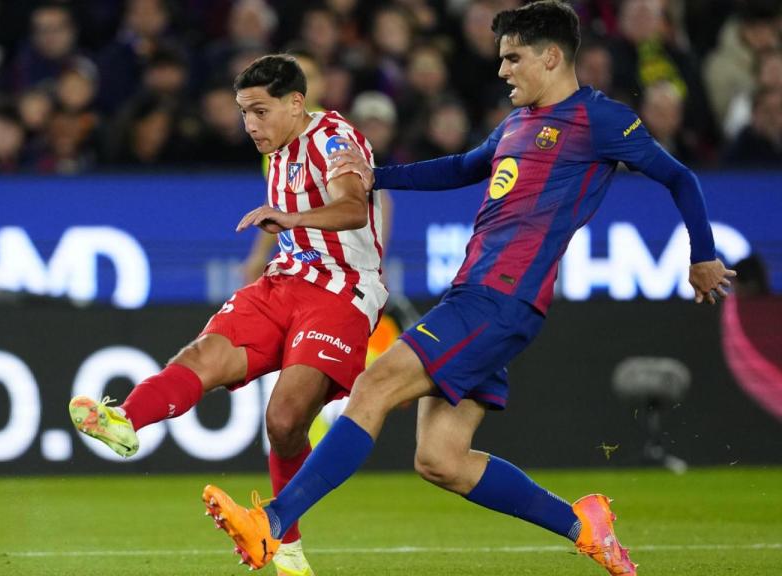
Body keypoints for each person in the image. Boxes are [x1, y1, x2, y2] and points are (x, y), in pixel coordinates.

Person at [202, 3, 736, 575]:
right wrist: (376, 176)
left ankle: (274, 522)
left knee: (375, 386)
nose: (502, 70)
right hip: (477, 294)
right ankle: (584, 525)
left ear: (551, 57)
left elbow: (679, 175)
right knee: (441, 459)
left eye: (513, 58)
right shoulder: (517, 122)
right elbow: (462, 167)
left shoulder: (599, 119)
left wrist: (702, 254)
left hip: (501, 298)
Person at [69, 54, 386, 576]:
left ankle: (283, 541)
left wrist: (290, 217)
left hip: (341, 291)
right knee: (203, 356)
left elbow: (353, 208)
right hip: (284, 281)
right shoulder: (277, 149)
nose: (250, 125)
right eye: (243, 113)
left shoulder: (334, 138)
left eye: (260, 111)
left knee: (284, 420)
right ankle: (125, 420)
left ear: (296, 103)